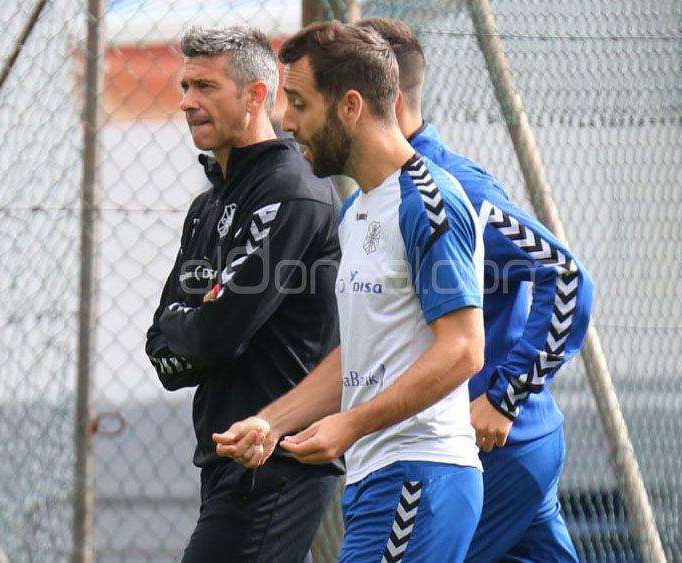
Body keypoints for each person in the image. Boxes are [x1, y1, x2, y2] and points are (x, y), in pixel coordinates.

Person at [214, 21, 487, 562]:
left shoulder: (427, 201)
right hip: (377, 479)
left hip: (418, 474)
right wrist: (272, 422)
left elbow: (463, 350)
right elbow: (360, 354)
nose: (288, 122)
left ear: (351, 107)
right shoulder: (357, 209)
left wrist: (351, 424)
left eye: (299, 103)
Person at [355, 17, 595, 563]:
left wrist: (506, 397)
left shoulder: (456, 191)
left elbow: (567, 276)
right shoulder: (368, 202)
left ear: (378, 101)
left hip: (490, 448)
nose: (295, 118)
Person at [144, 26, 342, 563]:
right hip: (226, 461)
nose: (187, 102)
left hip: (275, 463)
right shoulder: (208, 206)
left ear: (256, 95)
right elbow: (161, 350)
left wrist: (192, 324)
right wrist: (195, 325)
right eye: (186, 87)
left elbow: (218, 336)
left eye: (205, 87)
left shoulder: (290, 190)